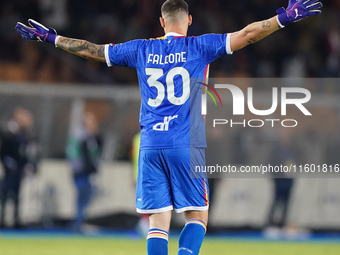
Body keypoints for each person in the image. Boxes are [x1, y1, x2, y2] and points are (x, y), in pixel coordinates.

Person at [15, 0, 322, 253]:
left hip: (150, 145)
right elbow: (248, 34)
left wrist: (52, 38)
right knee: (197, 216)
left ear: (161, 23)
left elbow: (90, 50)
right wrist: (283, 18)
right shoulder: (201, 46)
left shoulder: (140, 49)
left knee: (157, 222)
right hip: (185, 143)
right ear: (188, 20)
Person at [66, 112, 102, 232]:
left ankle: (79, 221)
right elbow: (82, 156)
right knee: (83, 197)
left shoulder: (83, 136)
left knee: (85, 196)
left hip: (82, 172)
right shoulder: (82, 137)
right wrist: (87, 169)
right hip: (82, 173)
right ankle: (78, 223)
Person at [0, 108, 34, 228]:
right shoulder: (8, 131)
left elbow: (25, 151)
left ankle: (15, 219)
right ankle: (3, 219)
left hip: (19, 169)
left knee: (17, 195)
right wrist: (9, 163)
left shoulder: (23, 133)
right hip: (10, 169)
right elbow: (4, 150)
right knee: (5, 194)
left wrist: (27, 165)